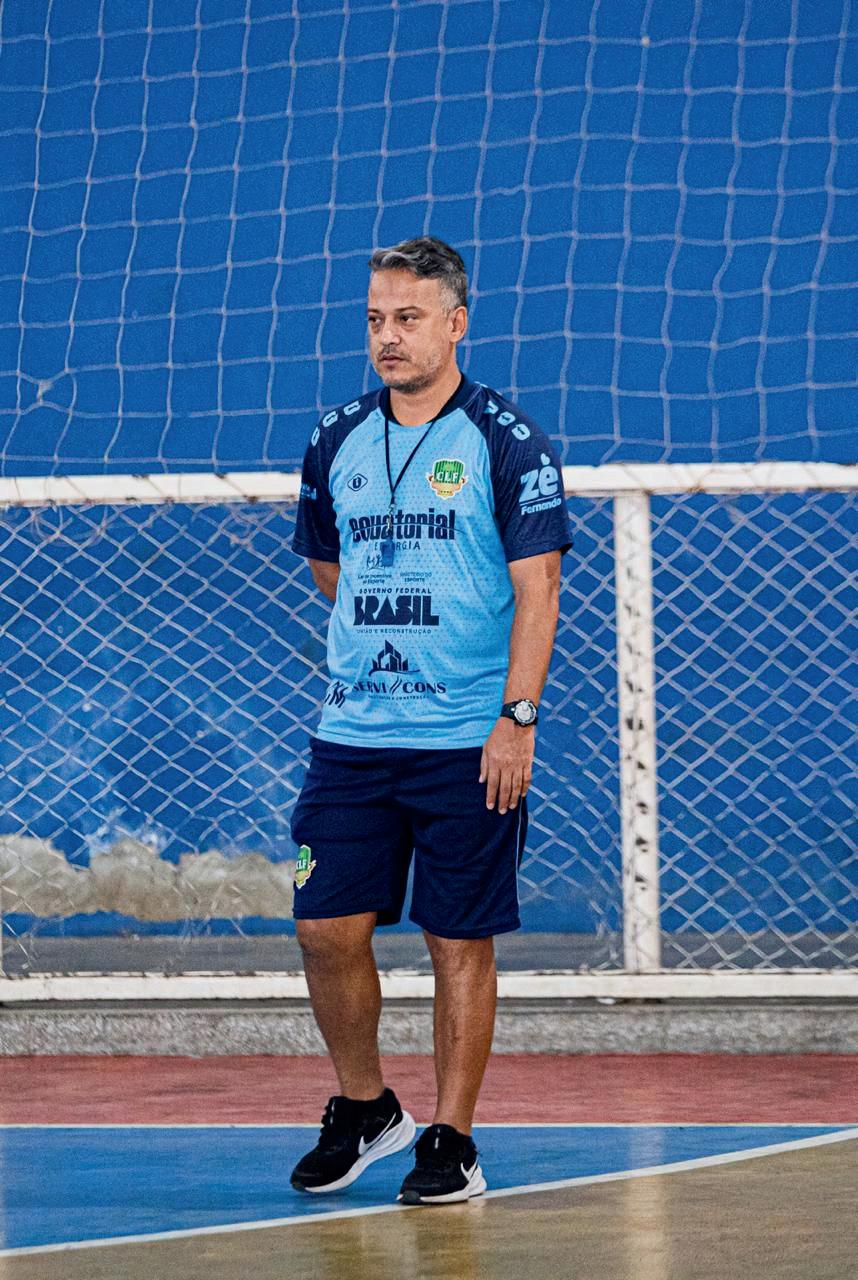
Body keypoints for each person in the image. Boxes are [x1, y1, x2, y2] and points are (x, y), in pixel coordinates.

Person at [289, 236, 571, 1205]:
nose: (388, 336)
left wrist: (515, 718)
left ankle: (451, 1138)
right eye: (376, 318)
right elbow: (330, 565)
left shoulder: (506, 440)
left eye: (407, 318)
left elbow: (539, 590)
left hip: (466, 740)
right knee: (325, 927)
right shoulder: (335, 437)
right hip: (353, 736)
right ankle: (367, 1107)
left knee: (457, 940)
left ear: (456, 323)